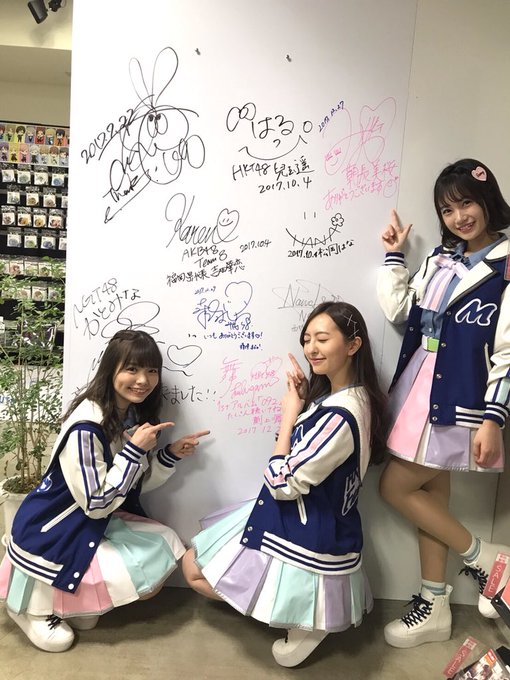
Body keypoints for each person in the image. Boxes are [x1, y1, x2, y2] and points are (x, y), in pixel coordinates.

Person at [182, 301, 388, 667]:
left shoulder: (341, 415)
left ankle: (305, 621)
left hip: (304, 528)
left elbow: (283, 482)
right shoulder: (347, 399)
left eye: (322, 339)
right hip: (304, 517)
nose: (311, 348)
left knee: (193, 570)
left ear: (353, 345)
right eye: (307, 339)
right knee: (193, 565)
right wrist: (305, 402)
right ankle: (293, 611)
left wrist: (289, 414)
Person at [0, 329, 209, 653]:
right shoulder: (87, 427)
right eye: (132, 369)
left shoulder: (126, 414)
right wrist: (134, 451)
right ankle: (30, 610)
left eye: (151, 370)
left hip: (87, 519)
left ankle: (69, 604)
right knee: (136, 560)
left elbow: (130, 486)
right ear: (111, 370)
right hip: (56, 525)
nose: (143, 380)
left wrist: (169, 455)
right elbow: (97, 502)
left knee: (162, 542)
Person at [377, 158, 510, 649]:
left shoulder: (506, 266)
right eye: (447, 210)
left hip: (458, 395)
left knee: (395, 487)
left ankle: (488, 558)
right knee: (430, 496)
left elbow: (508, 352)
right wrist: (395, 257)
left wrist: (494, 418)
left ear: (488, 200)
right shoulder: (439, 259)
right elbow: (400, 310)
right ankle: (435, 604)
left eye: (466, 203)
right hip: (418, 385)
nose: (459, 217)